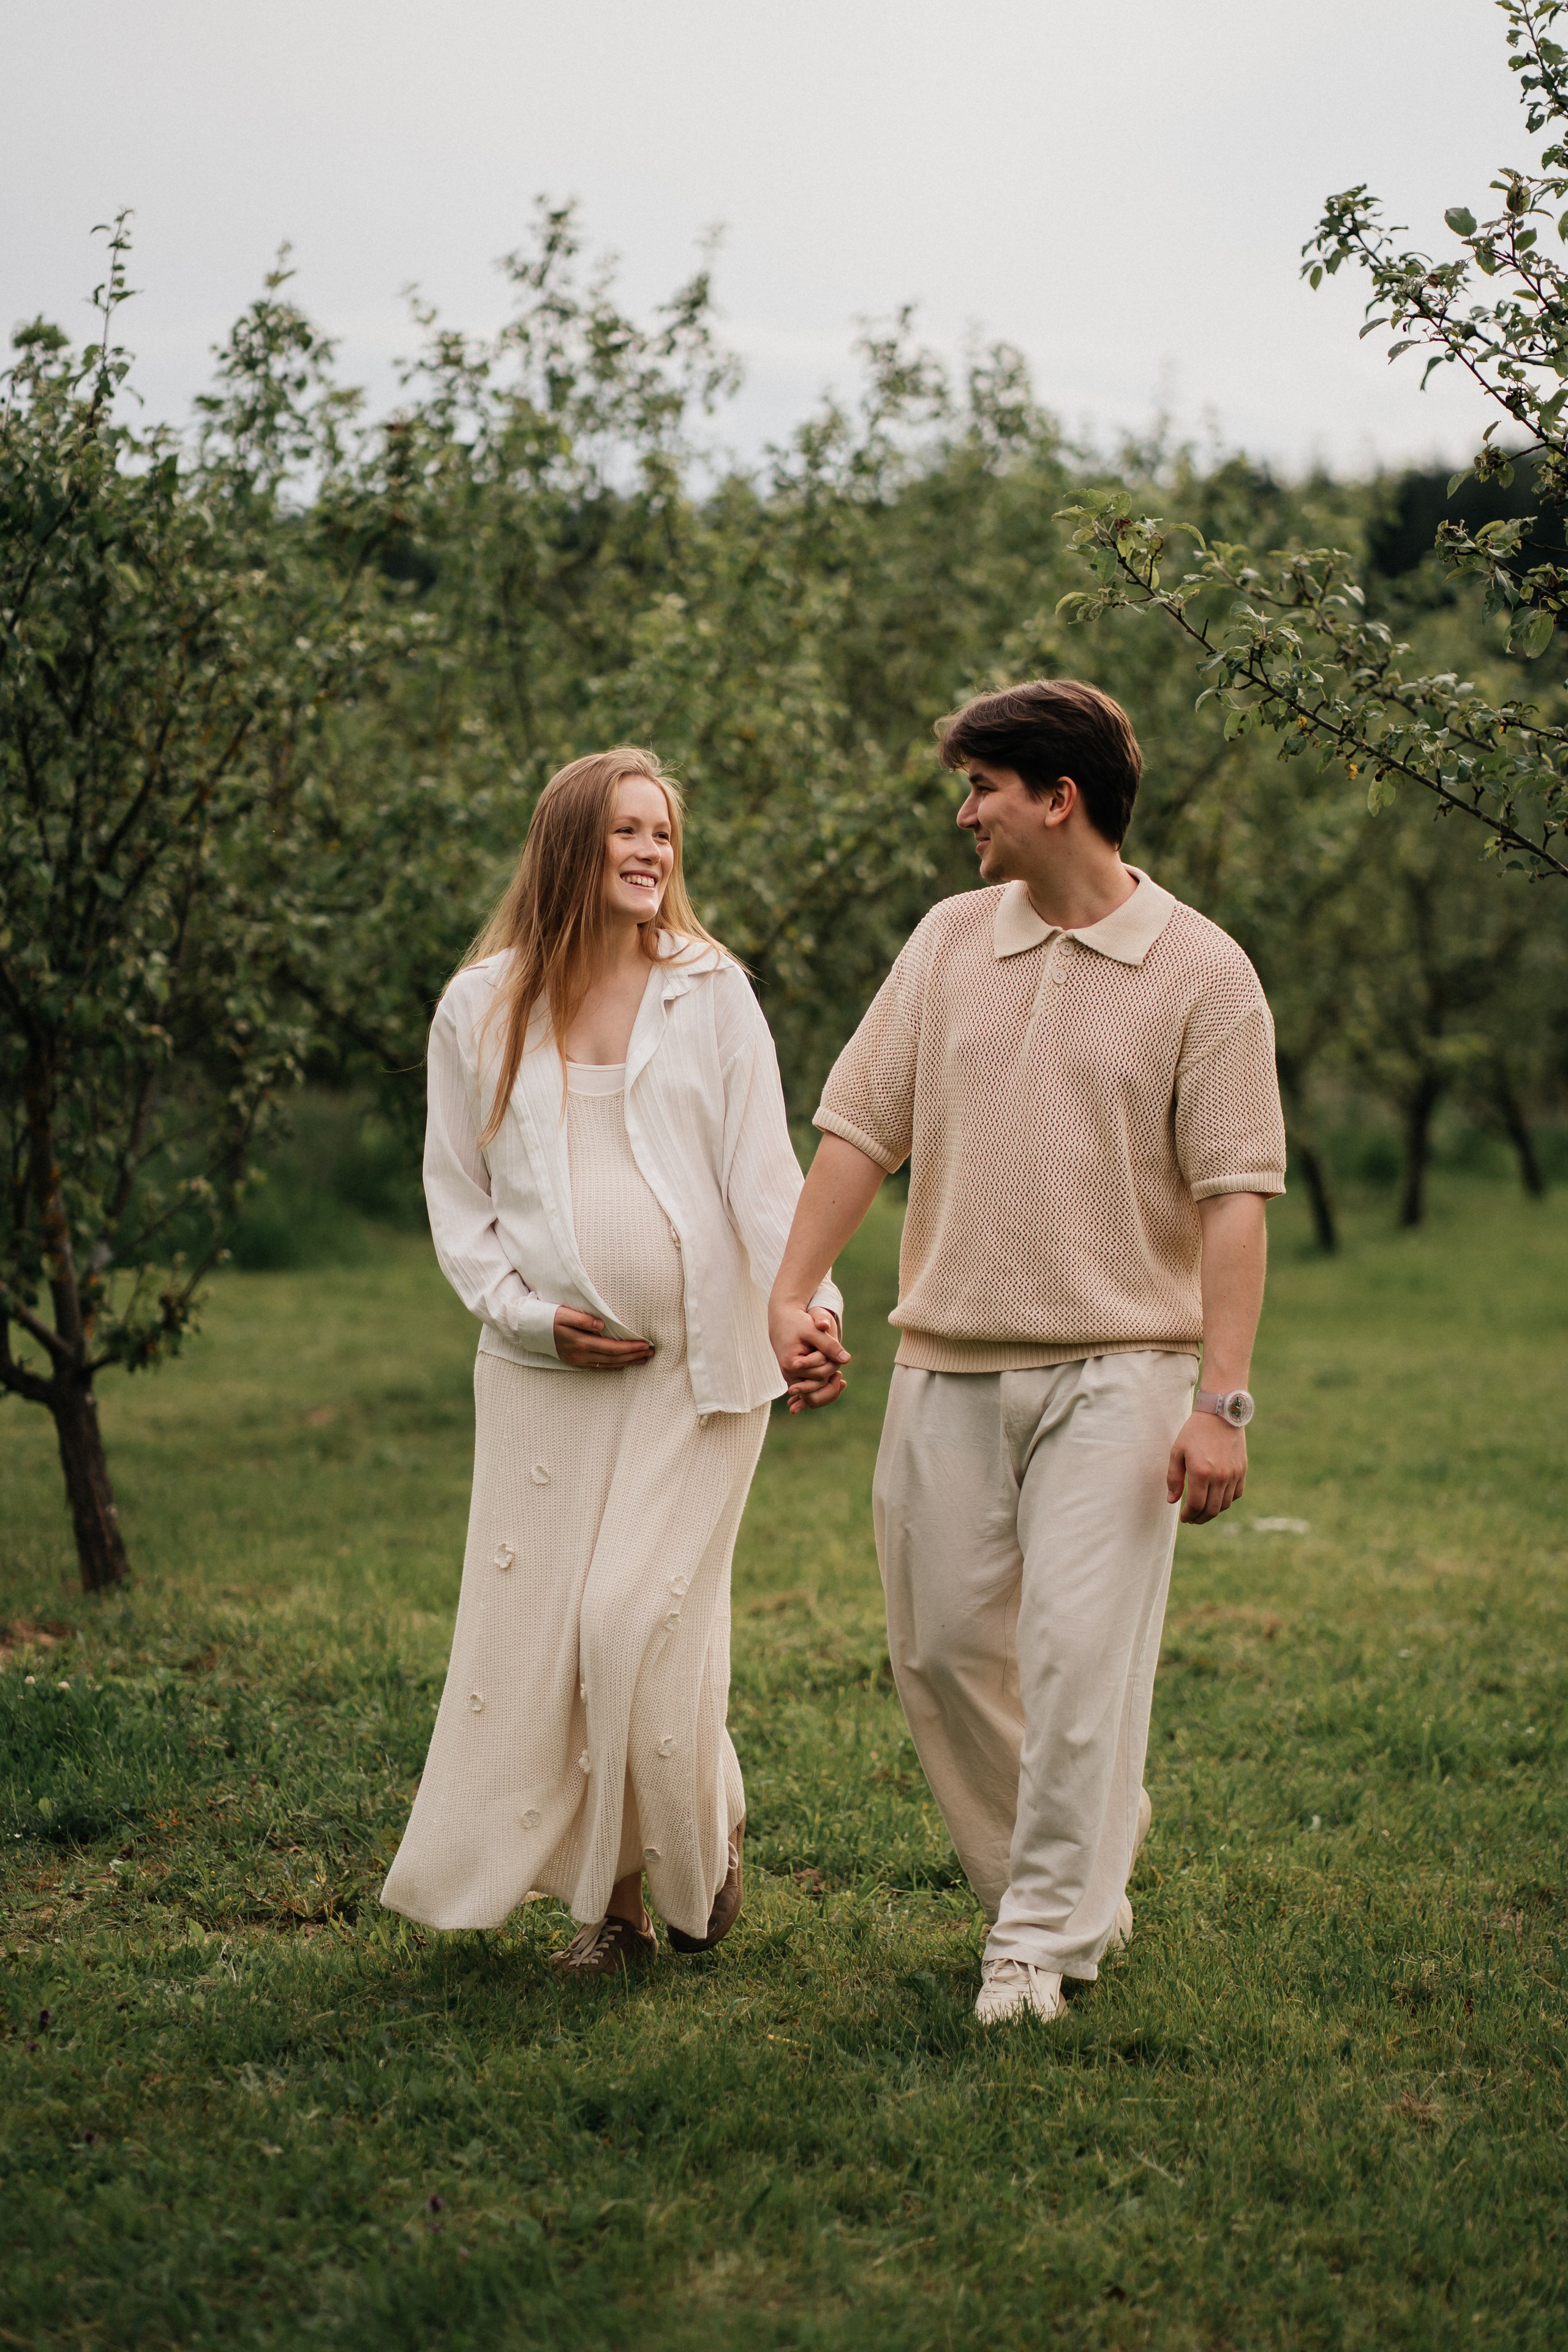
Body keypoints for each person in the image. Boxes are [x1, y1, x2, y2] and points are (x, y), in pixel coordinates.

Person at [769, 680, 1285, 2026]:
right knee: (939, 1651)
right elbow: (856, 1130)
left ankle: (1036, 1939)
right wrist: (794, 1286)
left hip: (1121, 1366)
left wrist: (1219, 1403)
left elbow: (1235, 1198)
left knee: (1072, 1657)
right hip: (942, 1356)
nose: (964, 814)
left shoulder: (1205, 974)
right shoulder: (943, 944)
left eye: (981, 787)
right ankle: (1080, 1857)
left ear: (1056, 798)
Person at [382, 747, 843, 1975]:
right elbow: (458, 1204)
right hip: (546, 1381)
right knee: (573, 1646)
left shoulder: (709, 991)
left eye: (662, 836)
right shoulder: (478, 1007)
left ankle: (678, 1863)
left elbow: (762, 1177)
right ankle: (628, 1912)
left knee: (627, 1621)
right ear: (566, 848)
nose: (649, 854)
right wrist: (534, 1320)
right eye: (623, 832)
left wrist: (808, 1309)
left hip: (703, 1369)